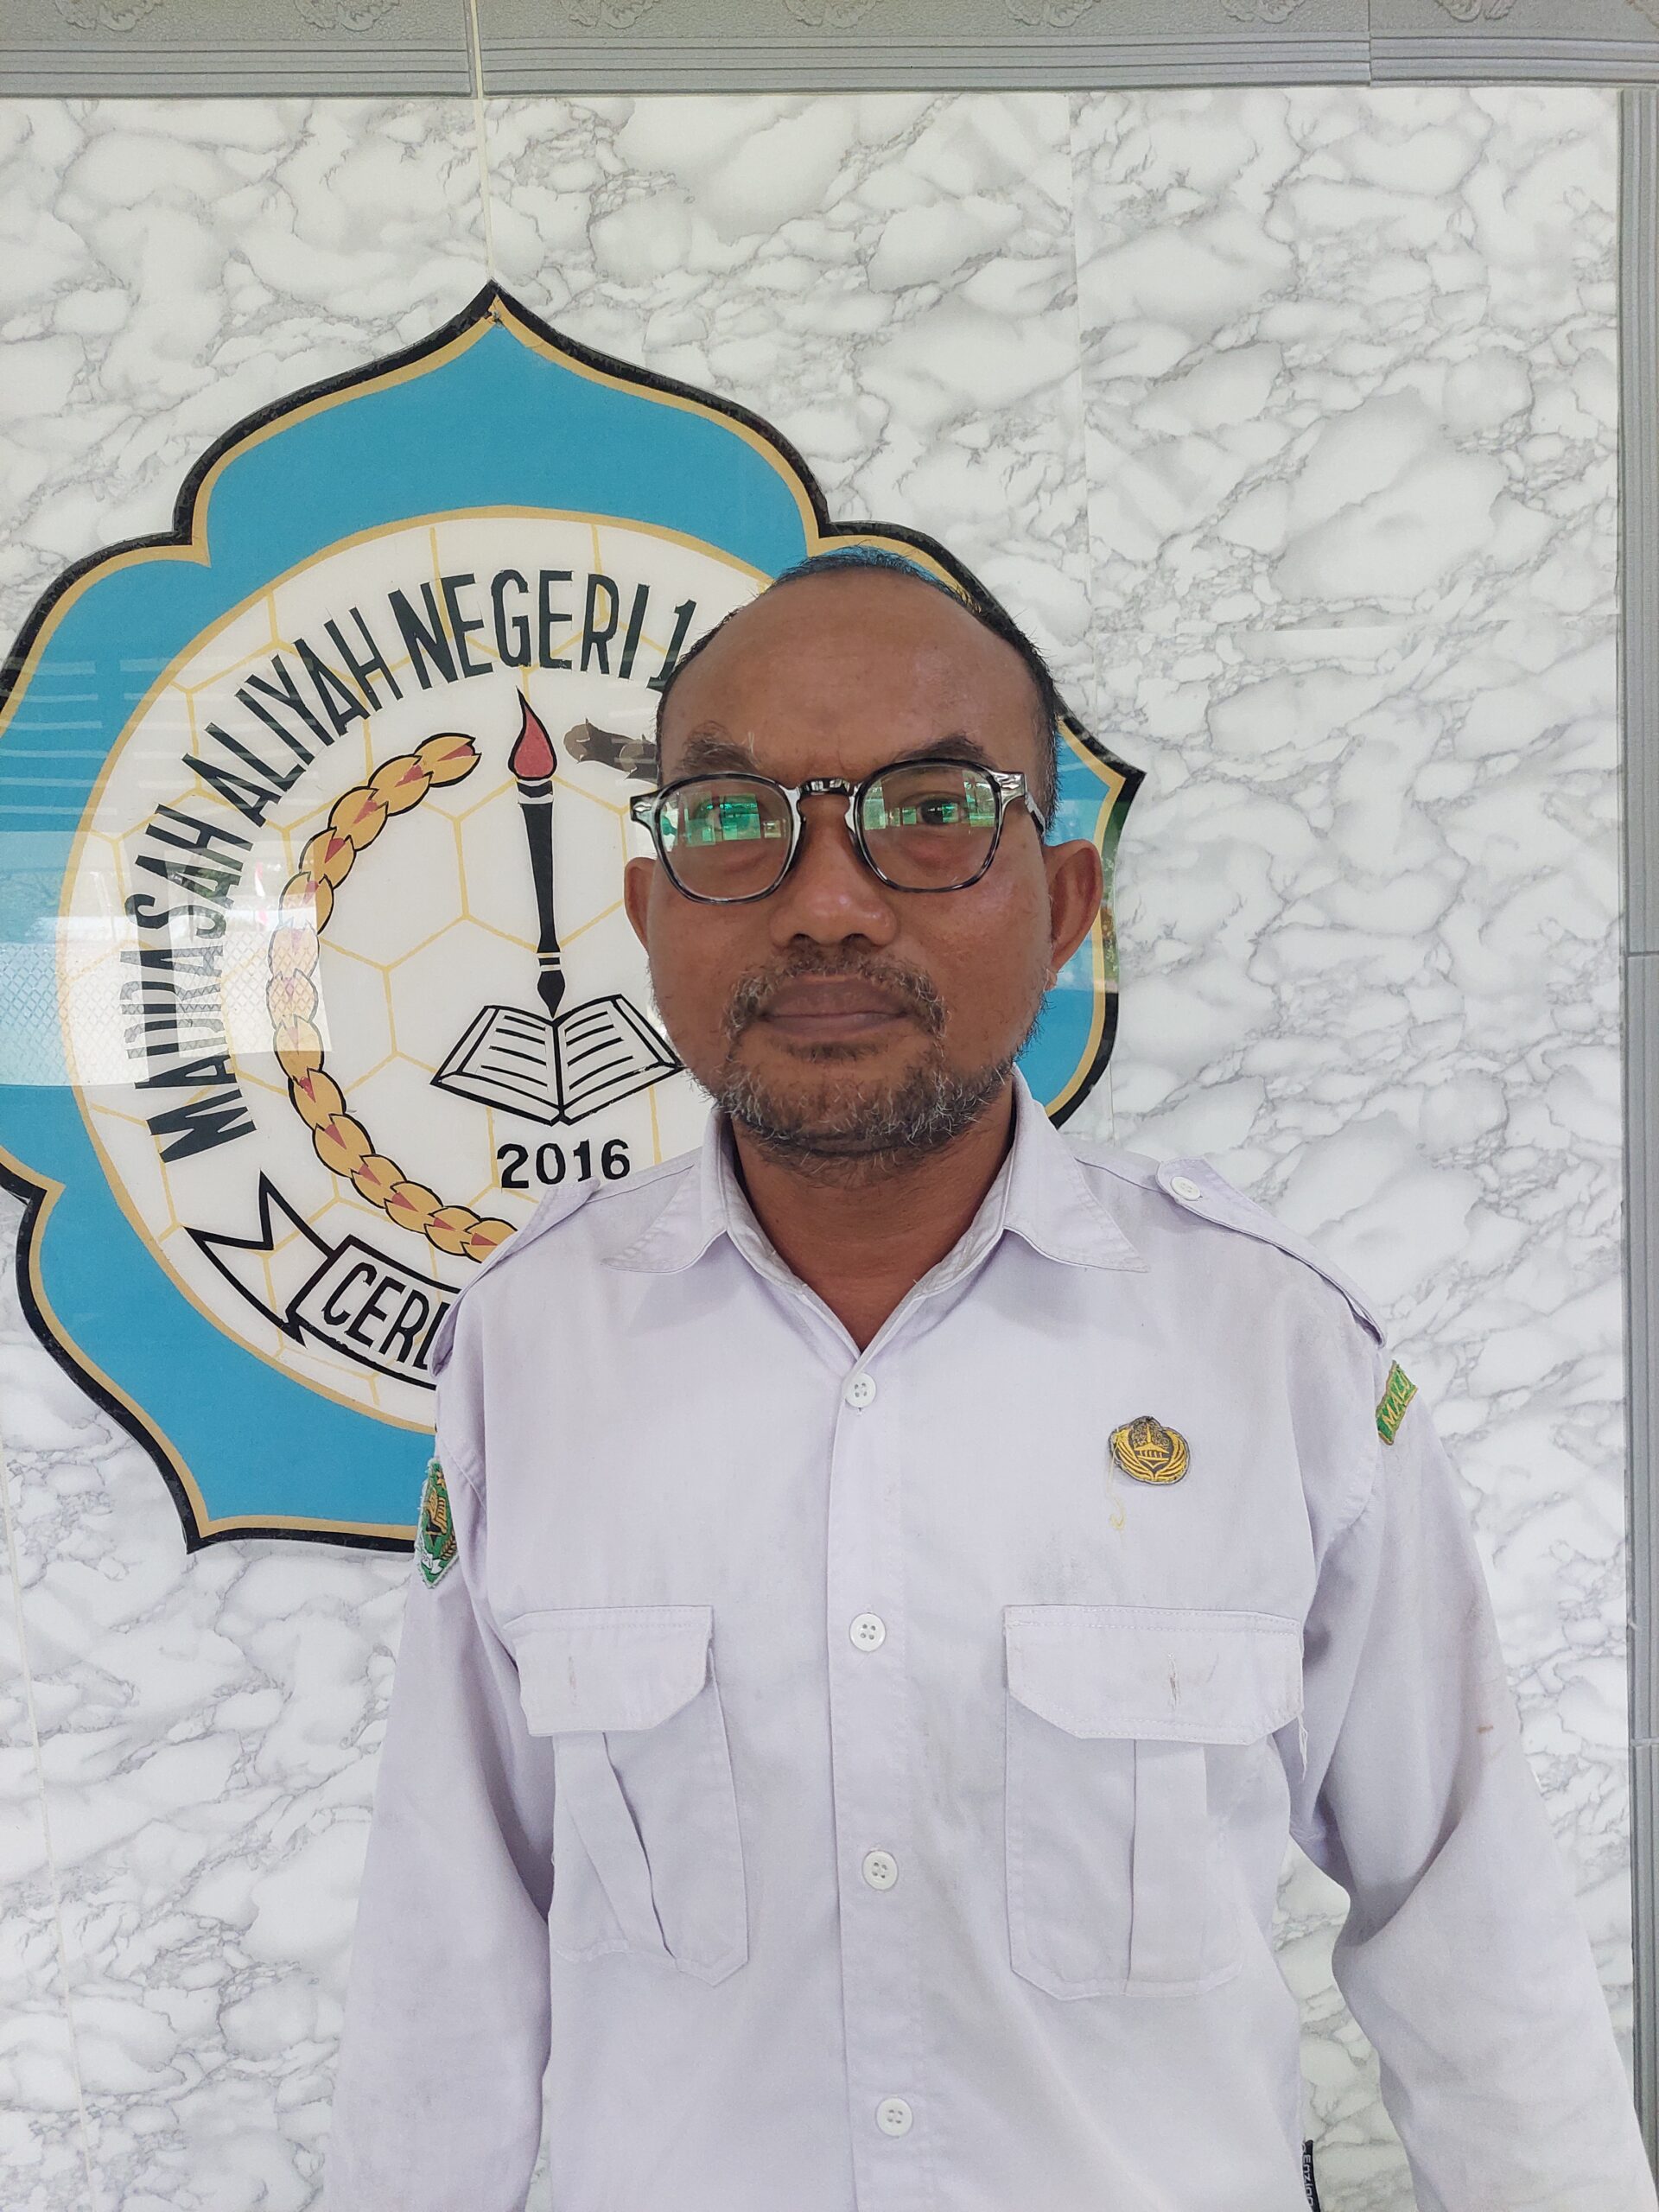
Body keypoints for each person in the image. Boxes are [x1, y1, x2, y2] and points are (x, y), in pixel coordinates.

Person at [321, 549, 1656, 2212]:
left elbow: (1467, 1918)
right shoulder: (538, 1350)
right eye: (735, 821)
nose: (828, 904)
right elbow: (448, 1939)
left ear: (1067, 903)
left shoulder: (1272, 1349)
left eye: (932, 812)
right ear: (654, 912)